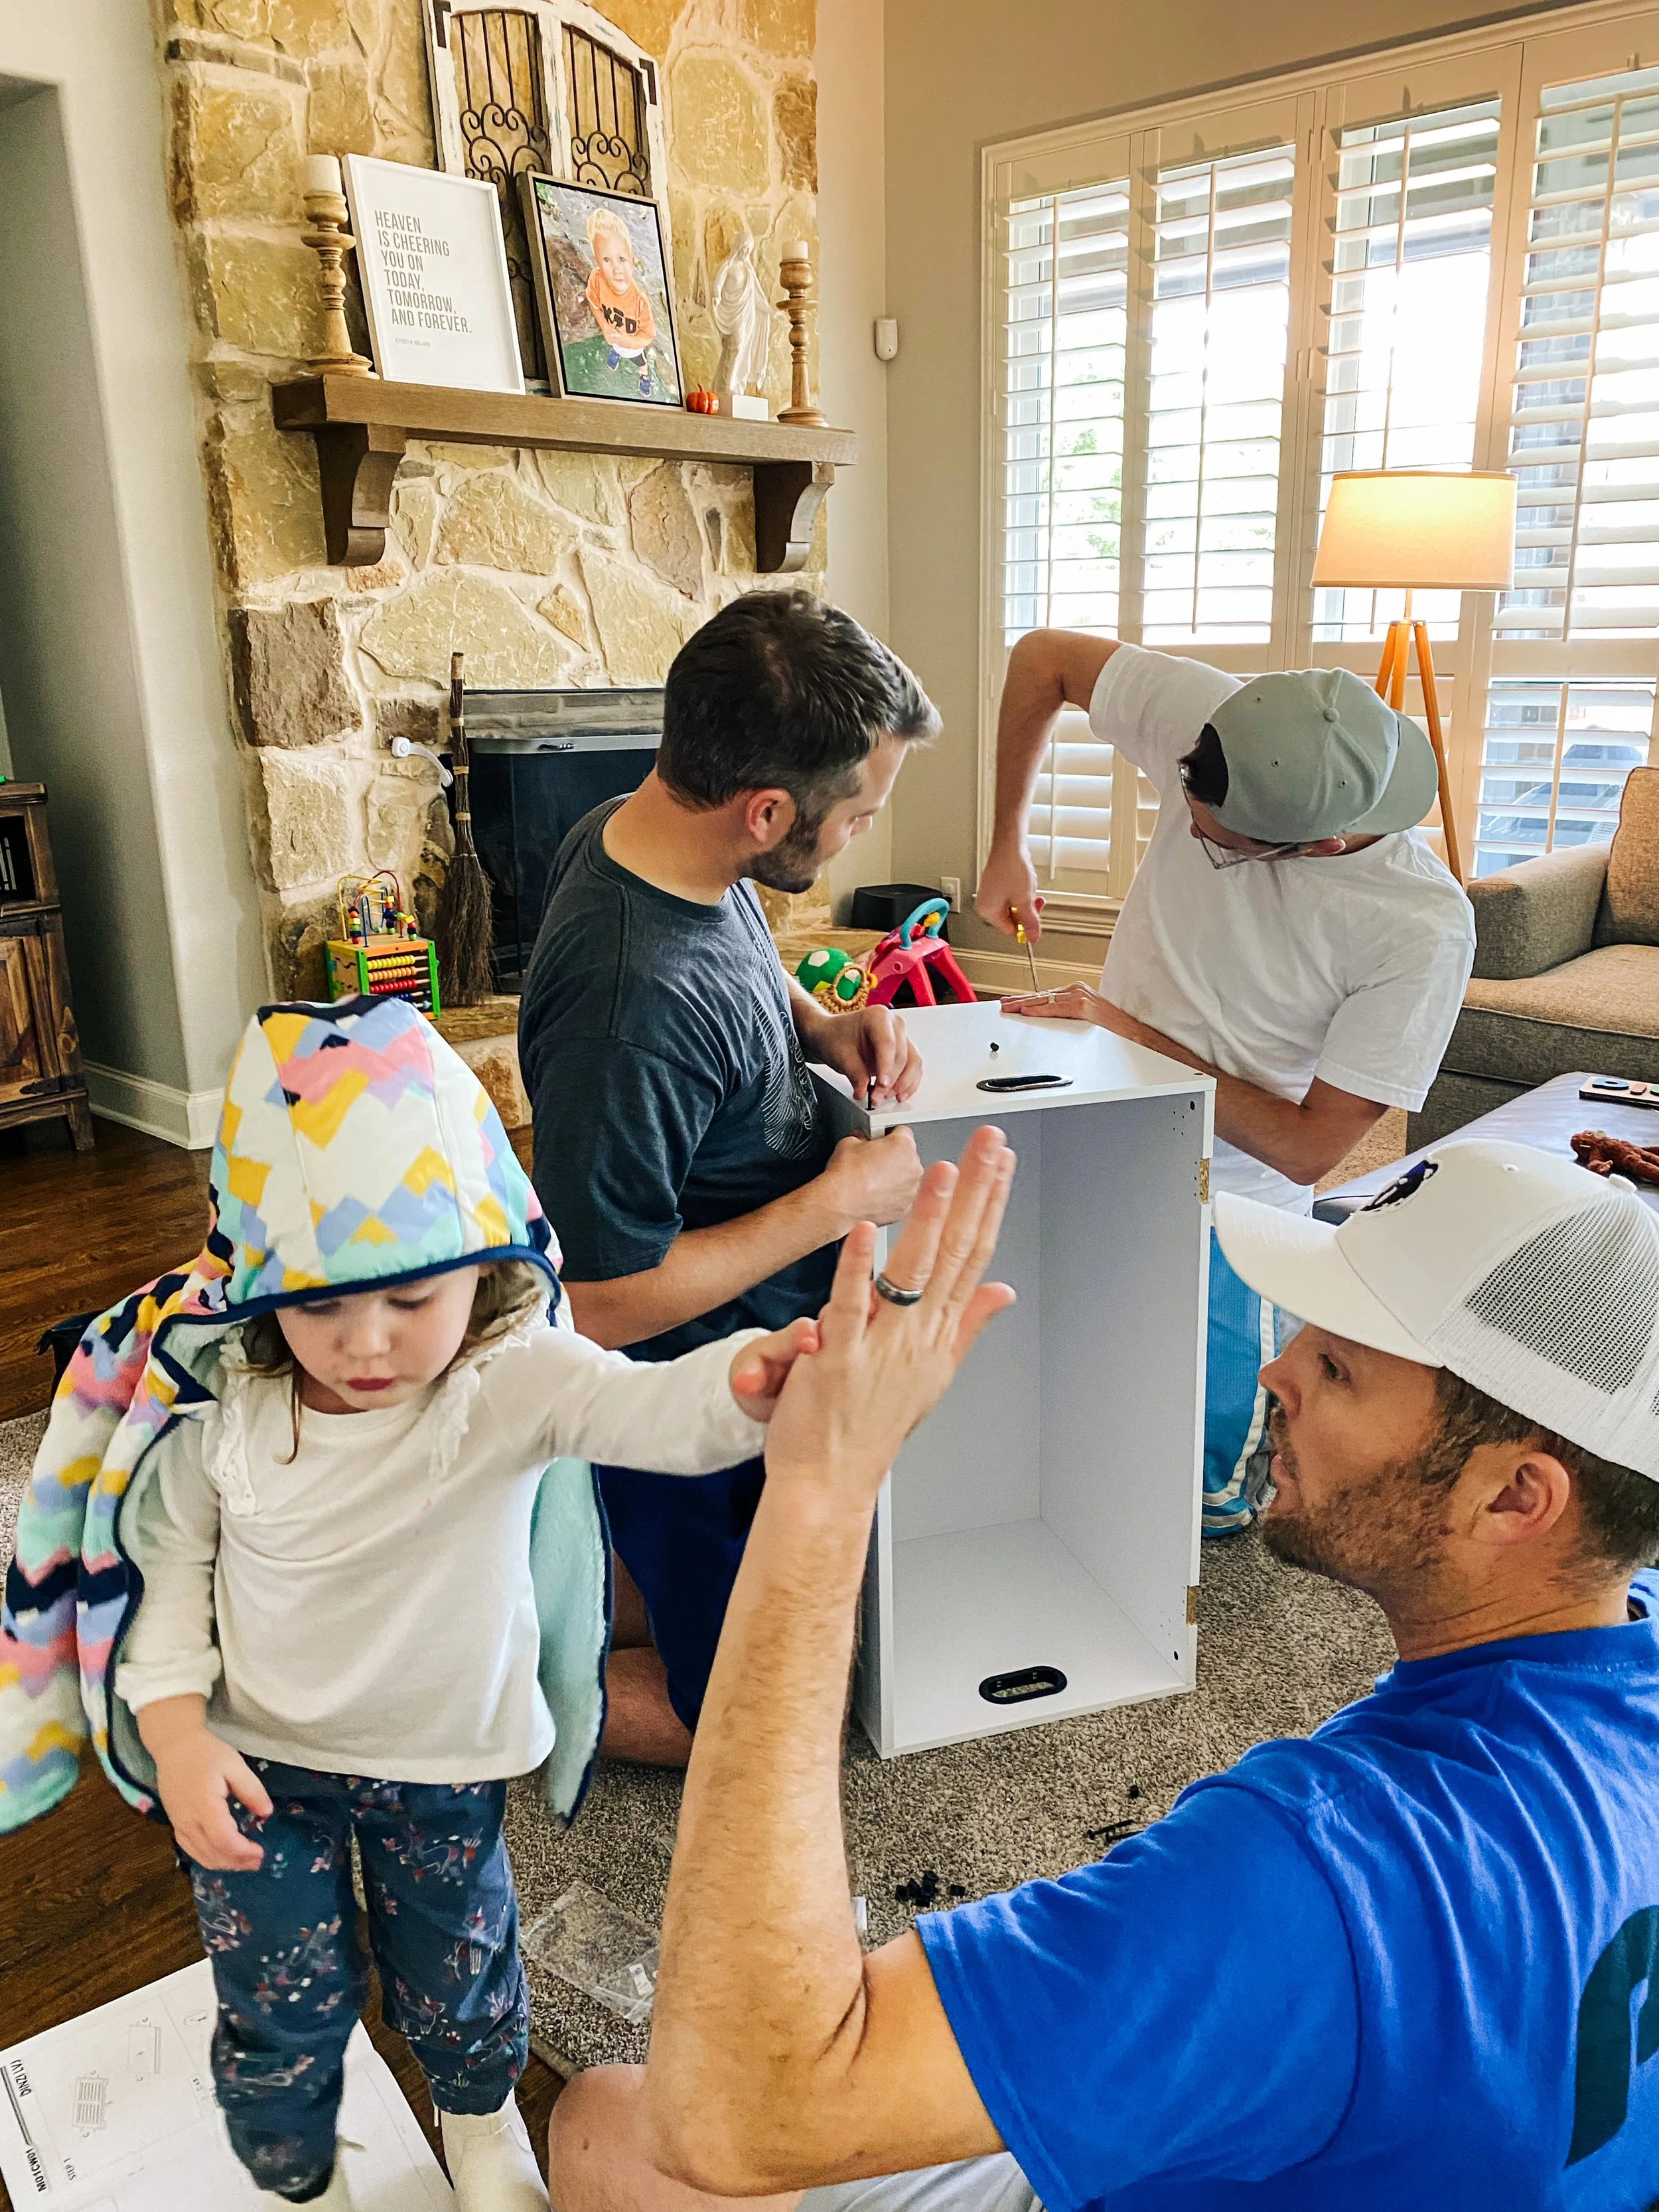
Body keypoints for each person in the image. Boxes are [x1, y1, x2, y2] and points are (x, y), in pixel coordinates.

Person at [547, 1130, 1659, 2207]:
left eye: (1337, 1367)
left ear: (1516, 1497)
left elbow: (739, 2115)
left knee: (608, 2124)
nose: (1275, 1371)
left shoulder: (1313, 1879)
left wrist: (824, 1493)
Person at [8, 995, 824, 2212]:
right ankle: (301, 2165)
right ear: (259, 1297)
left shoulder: (510, 1380)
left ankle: (479, 2116)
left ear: (485, 1268)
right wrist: (174, 1732)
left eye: (408, 1297)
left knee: (460, 1963)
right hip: (258, 1765)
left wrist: (751, 1384)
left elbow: (648, 1408)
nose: (367, 1343)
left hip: (441, 1765)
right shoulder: (222, 1410)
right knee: (277, 1989)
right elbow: (165, 1580)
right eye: (320, 1305)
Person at [519, 589, 937, 1764]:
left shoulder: (651, 826)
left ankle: (605, 1572)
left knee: (800, 1628)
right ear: (766, 811)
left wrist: (822, 1026)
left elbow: (737, 960)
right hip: (693, 1390)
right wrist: (836, 1202)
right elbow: (599, 1301)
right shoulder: (627, 1007)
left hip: (749, 1344)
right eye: (859, 814)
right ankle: (486, 1688)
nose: (863, 833)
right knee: (755, 1728)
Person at [974, 634, 1476, 1535]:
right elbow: (1042, 659)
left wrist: (1128, 1031)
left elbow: (1308, 1145)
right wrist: (1005, 842)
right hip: (1092, 1099)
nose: (1192, 837)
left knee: (1206, 1495)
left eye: (1225, 845)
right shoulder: (1209, 719)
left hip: (1229, 1186)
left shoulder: (1420, 929)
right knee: (1012, 1390)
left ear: (1320, 843)